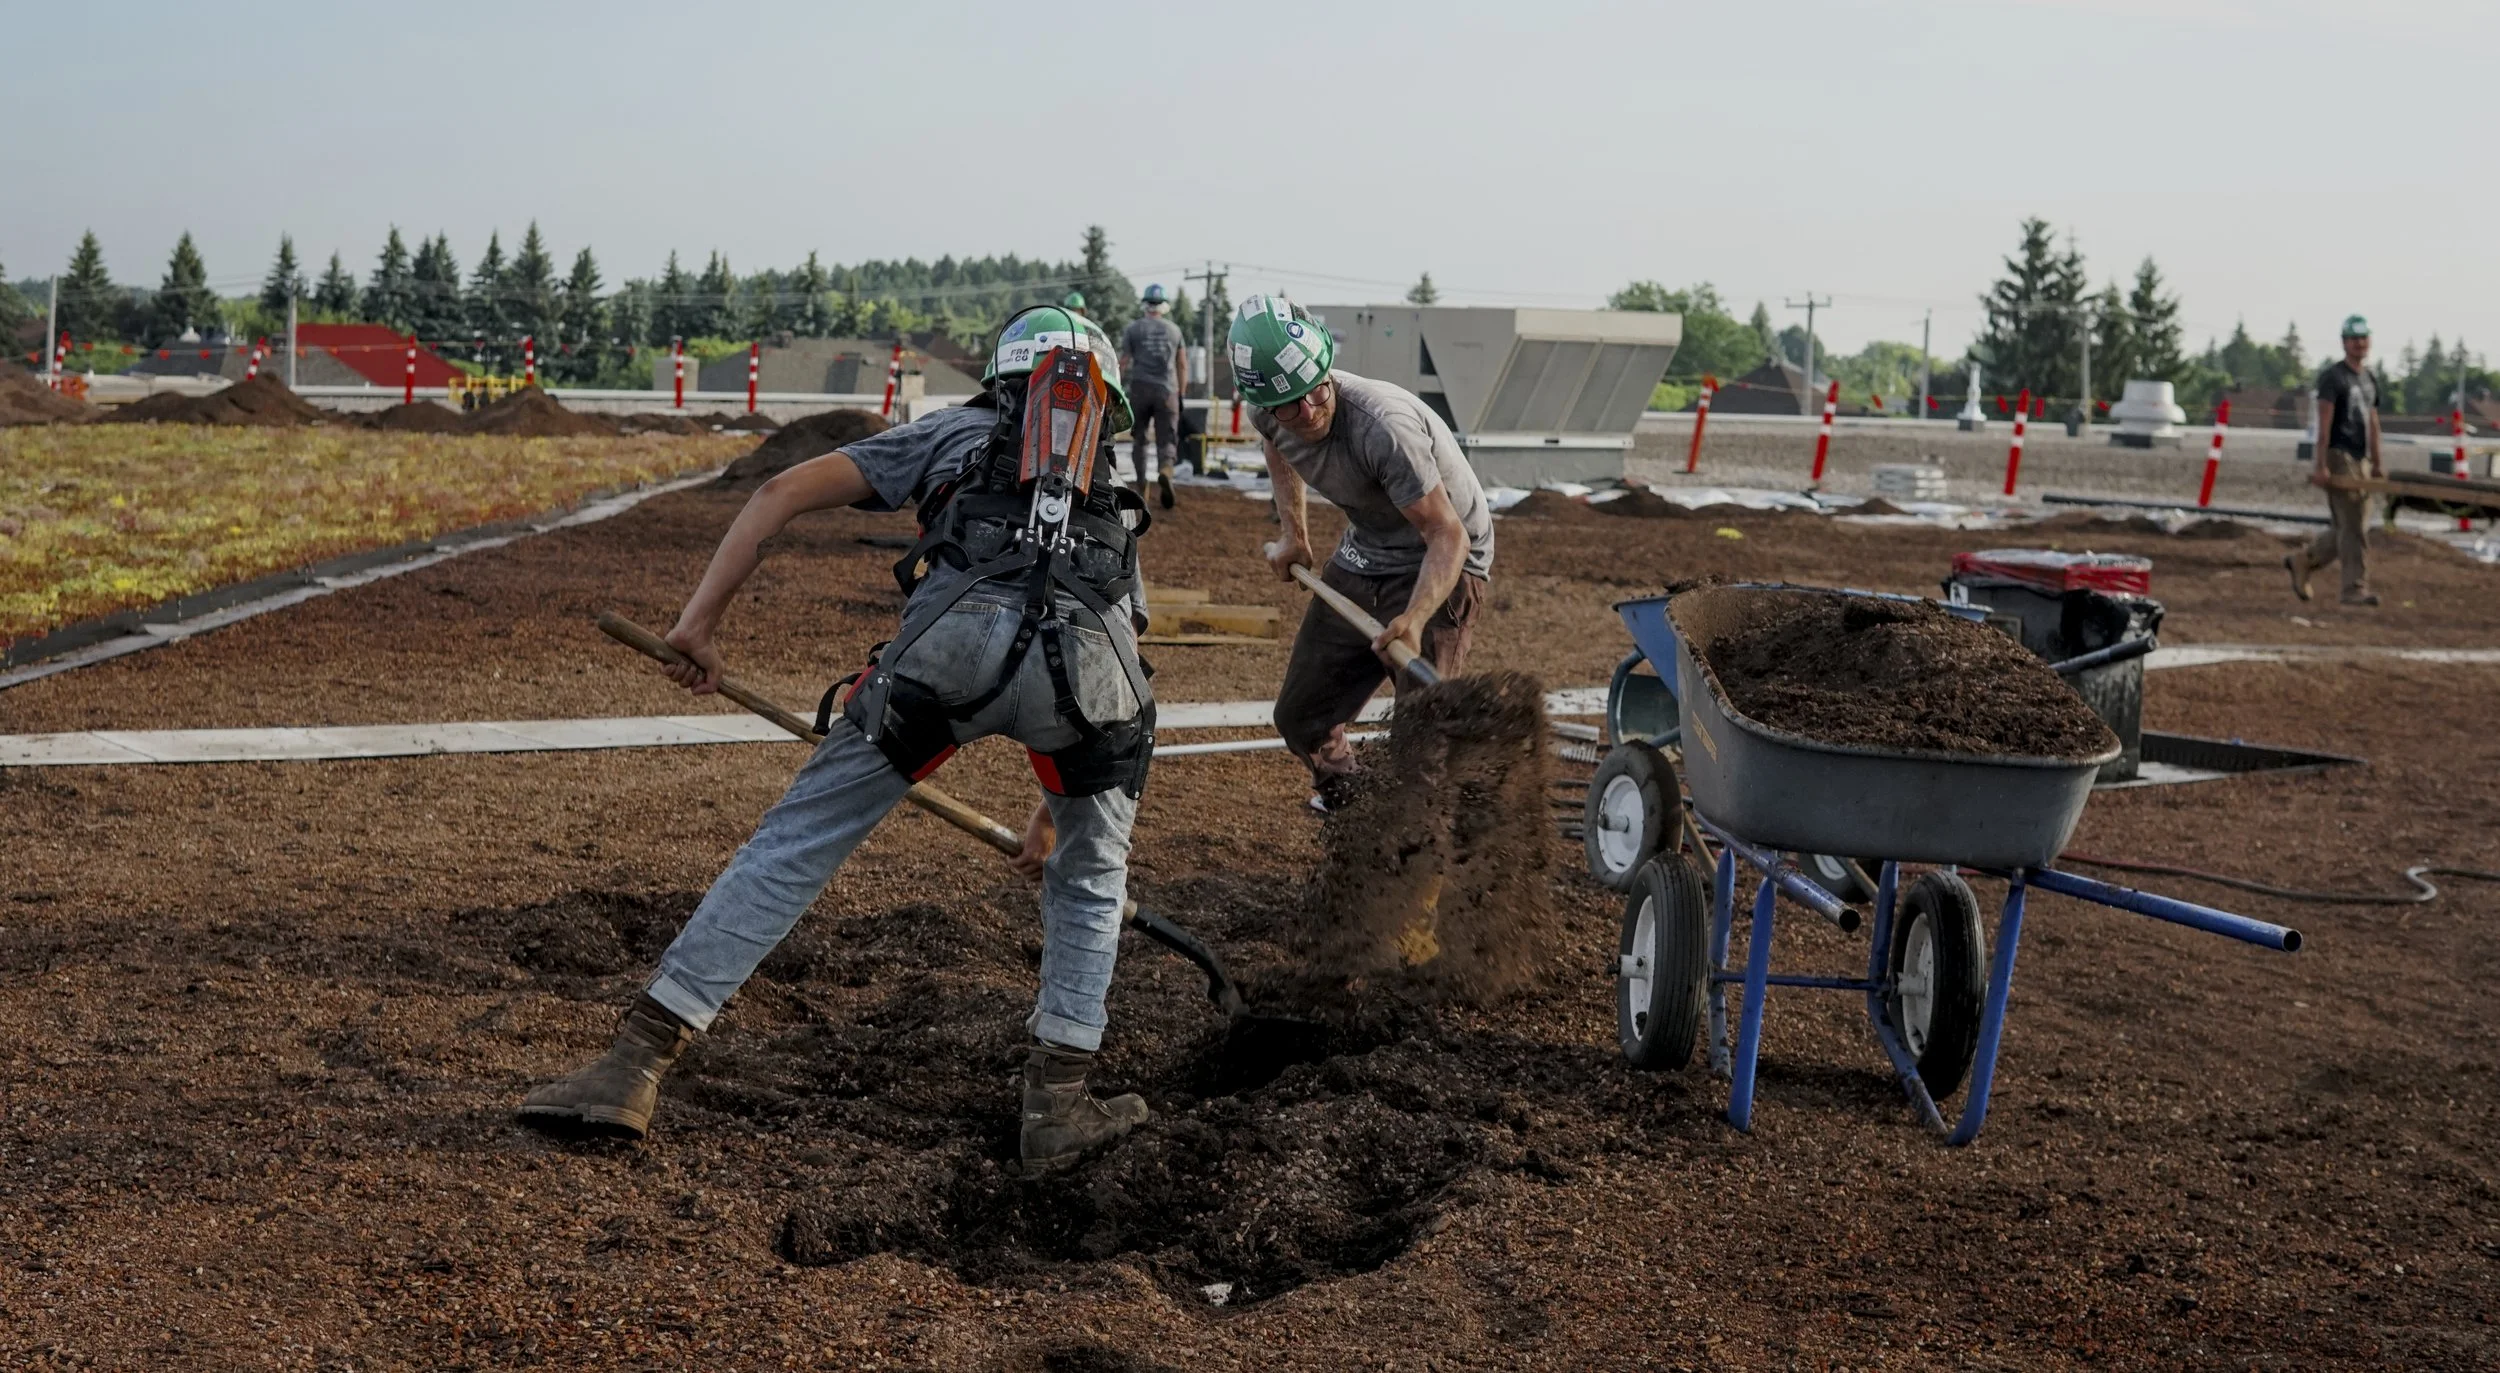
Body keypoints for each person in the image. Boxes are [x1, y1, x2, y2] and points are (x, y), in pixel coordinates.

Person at [519, 304, 1160, 1174]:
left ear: (1000, 383)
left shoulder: (952, 432)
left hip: (946, 657)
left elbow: (776, 494)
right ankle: (1057, 1106)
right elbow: (1109, 642)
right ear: (1108, 404)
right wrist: (1056, 813)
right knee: (1090, 880)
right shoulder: (1110, 493)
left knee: (796, 842)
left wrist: (698, 626)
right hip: (1090, 683)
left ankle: (633, 1065)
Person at [1234, 294, 1495, 812]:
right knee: (1301, 718)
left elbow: (1447, 534)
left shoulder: (1383, 427)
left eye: (1317, 389)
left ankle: (1427, 838)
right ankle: (1354, 810)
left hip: (1443, 556)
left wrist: (1415, 619)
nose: (1309, 411)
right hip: (1368, 550)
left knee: (1422, 736)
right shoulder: (1268, 412)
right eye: (1289, 405)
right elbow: (1276, 444)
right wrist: (1294, 534)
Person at [2288, 314, 2384, 607]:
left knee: (2350, 525)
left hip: (2360, 457)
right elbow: (2324, 423)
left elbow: (2373, 422)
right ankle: (2354, 588)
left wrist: (2377, 462)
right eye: (2354, 339)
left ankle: (2304, 560)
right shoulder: (2334, 377)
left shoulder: (2369, 379)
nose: (2359, 343)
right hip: (2338, 454)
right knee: (2353, 526)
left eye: (2363, 338)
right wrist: (2320, 464)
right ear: (2344, 342)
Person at [1120, 284, 1189, 510]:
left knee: (1140, 439)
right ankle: (1165, 470)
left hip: (1140, 389)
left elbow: (1123, 362)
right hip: (1167, 391)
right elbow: (1182, 364)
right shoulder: (1175, 330)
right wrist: (1181, 393)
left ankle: (1142, 486)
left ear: (1145, 304)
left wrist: (1117, 388)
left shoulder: (1133, 329)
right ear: (1164, 306)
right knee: (1166, 439)